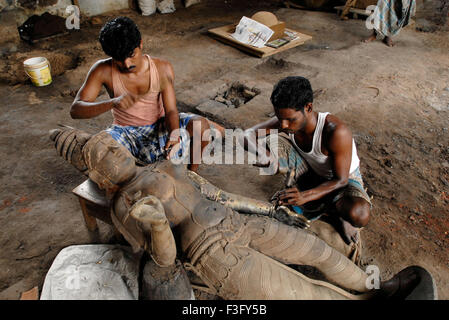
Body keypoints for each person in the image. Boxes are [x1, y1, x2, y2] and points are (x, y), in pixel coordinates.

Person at [49, 127, 436, 300]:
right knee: (306, 294)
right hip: (216, 256)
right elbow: (161, 262)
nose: (114, 154)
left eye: (111, 147)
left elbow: (219, 194)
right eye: (104, 156)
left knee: (320, 253)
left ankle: (377, 289)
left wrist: (267, 210)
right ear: (98, 173)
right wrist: (157, 226)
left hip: (241, 223)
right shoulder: (122, 207)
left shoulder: (162, 166)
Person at [70, 16, 223, 172]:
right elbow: (75, 110)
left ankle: (192, 174)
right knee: (98, 151)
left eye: (131, 55)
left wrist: (174, 137)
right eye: (119, 59)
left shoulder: (162, 68)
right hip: (125, 131)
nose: (126, 64)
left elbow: (171, 111)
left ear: (141, 44)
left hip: (160, 125)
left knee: (200, 125)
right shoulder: (101, 70)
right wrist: (113, 102)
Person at [243, 76, 371, 245]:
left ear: (308, 107)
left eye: (290, 119)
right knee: (268, 143)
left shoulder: (335, 132)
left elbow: (341, 180)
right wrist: (266, 156)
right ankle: (317, 200)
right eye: (279, 118)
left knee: (359, 215)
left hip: (341, 179)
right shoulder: (285, 120)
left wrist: (306, 195)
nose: (284, 125)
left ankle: (333, 212)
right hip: (311, 169)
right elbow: (247, 134)